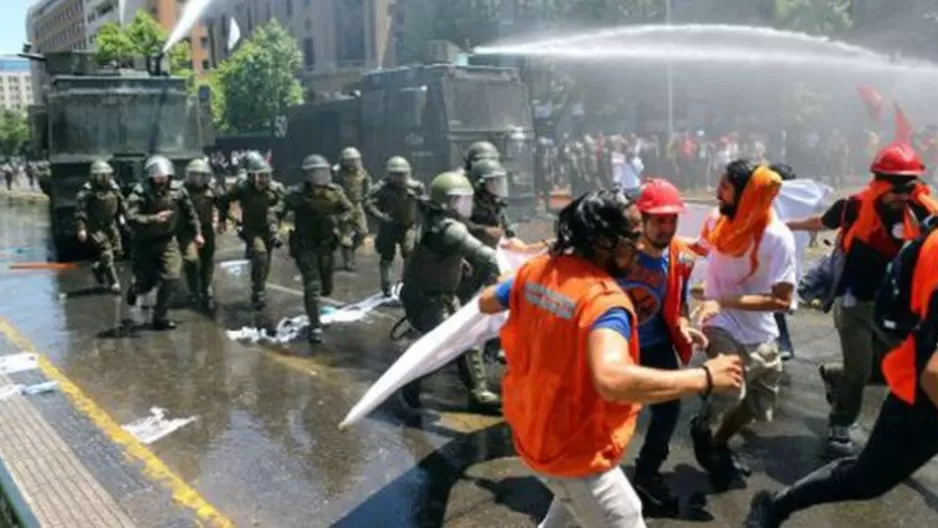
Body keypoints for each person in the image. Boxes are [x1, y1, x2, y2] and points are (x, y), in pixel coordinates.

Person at [478, 189, 743, 527]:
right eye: (631, 237)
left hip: (533, 430)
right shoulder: (604, 304)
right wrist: (705, 377)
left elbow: (487, 302)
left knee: (567, 510)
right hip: (576, 450)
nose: (638, 245)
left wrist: (512, 282)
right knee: (624, 515)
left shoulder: (537, 270)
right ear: (604, 241)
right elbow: (612, 379)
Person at [745, 226, 938, 527]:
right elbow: (934, 375)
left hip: (917, 382)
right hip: (921, 401)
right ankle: (777, 505)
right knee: (864, 479)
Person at [786, 141, 938, 452]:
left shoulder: (925, 212)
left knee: (902, 367)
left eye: (909, 186)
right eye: (896, 188)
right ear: (879, 183)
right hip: (855, 301)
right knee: (859, 369)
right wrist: (782, 224)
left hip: (898, 308)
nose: (902, 194)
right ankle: (840, 423)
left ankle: (834, 376)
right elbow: (819, 222)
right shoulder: (853, 207)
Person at [689, 161, 796, 490]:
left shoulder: (776, 237)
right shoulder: (715, 219)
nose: (716, 193)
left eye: (724, 187)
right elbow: (698, 248)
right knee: (733, 387)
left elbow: (781, 301)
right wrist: (652, 242)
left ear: (747, 195)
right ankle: (702, 429)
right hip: (717, 320)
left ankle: (718, 442)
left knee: (757, 403)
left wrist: (727, 300)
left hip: (759, 329)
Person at [618, 179, 707, 516]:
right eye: (658, 220)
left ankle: (647, 472)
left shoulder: (680, 257)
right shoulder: (619, 253)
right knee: (609, 412)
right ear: (640, 218)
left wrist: (685, 326)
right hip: (617, 345)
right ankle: (589, 473)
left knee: (669, 411)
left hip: (655, 343)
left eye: (672, 220)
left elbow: (678, 303)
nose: (666, 227)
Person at [398, 171, 502, 413]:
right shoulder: (448, 227)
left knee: (467, 339)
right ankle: (409, 382)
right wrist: (502, 272)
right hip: (429, 298)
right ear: (447, 202)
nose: (466, 205)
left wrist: (458, 263)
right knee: (441, 348)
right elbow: (481, 252)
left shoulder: (435, 218)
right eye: (460, 200)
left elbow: (442, 252)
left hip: (439, 294)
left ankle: (478, 392)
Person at [282, 154, 353, 345]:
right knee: (313, 286)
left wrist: (341, 222)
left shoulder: (335, 191)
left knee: (326, 287)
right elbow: (277, 210)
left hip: (326, 245)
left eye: (325, 171)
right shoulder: (296, 194)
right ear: (308, 175)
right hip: (305, 246)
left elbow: (349, 209)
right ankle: (315, 326)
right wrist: (273, 228)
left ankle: (317, 307)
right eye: (318, 172)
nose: (322, 175)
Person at [125, 155, 202, 330]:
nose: (161, 179)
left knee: (172, 276)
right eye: (157, 175)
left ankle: (160, 316)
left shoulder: (178, 190)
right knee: (147, 282)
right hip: (144, 243)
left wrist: (197, 233)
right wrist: (154, 219)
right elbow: (130, 217)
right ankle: (135, 288)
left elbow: (190, 213)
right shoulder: (140, 192)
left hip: (167, 241)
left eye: (164, 175)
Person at [218, 151, 285, 309]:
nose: (263, 180)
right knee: (260, 254)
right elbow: (223, 200)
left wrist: (278, 221)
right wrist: (226, 219)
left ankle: (260, 285)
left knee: (266, 260)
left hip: (270, 229)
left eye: (266, 176)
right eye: (260, 176)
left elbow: (288, 204)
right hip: (251, 228)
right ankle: (258, 291)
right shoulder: (243, 188)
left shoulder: (276, 189)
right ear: (252, 176)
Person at [364, 156, 426, 296]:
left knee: (409, 253)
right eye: (396, 175)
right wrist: (380, 216)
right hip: (388, 227)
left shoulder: (416, 187)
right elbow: (368, 202)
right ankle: (386, 286)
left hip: (407, 226)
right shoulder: (381, 187)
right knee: (387, 257)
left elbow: (424, 204)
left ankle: (407, 283)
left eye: (402, 174)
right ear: (389, 174)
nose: (399, 178)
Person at [75, 159, 126, 294]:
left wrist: (123, 216)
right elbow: (81, 211)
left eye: (106, 175)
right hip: (95, 226)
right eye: (100, 175)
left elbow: (121, 202)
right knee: (106, 253)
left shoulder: (114, 188)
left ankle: (98, 268)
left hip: (111, 224)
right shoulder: (88, 190)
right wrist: (81, 228)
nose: (103, 178)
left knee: (118, 252)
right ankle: (114, 283)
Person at [180, 158, 220, 309]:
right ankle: (193, 289)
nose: (198, 179)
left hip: (207, 228)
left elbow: (222, 202)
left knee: (208, 259)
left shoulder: (211, 189)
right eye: (194, 175)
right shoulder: (181, 190)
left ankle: (205, 287)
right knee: (191, 260)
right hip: (187, 230)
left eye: (201, 175)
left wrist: (223, 219)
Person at [333, 146, 373, 271]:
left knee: (363, 232)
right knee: (346, 236)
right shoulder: (337, 172)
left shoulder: (361, 172)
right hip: (343, 206)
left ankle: (350, 251)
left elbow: (368, 183)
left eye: (355, 160)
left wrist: (368, 195)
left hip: (357, 205)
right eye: (349, 160)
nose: (353, 163)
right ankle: (348, 261)